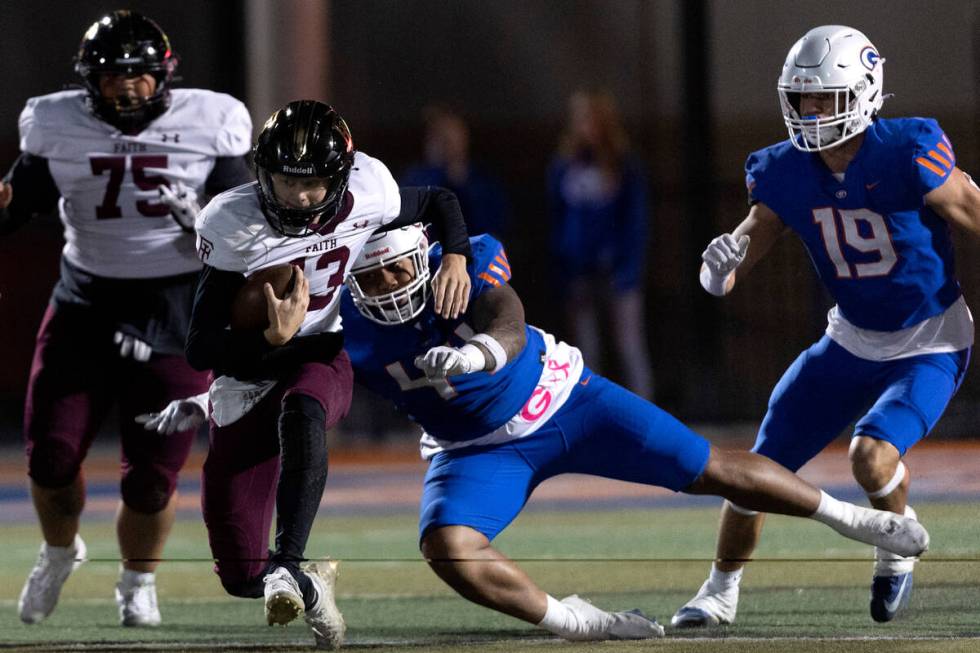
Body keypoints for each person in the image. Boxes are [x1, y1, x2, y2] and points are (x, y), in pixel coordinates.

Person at [146, 224, 930, 642]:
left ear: (423, 258)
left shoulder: (465, 264)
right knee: (446, 548)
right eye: (370, 275)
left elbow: (508, 314)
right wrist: (222, 397)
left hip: (567, 399)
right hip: (474, 451)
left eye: (396, 270)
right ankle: (573, 620)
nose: (384, 284)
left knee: (713, 468)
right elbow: (295, 376)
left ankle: (857, 520)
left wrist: (485, 349)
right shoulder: (344, 322)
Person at [672, 25, 979, 628]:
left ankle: (894, 552)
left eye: (824, 99)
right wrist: (715, 273)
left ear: (863, 93)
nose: (810, 113)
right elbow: (740, 258)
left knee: (870, 456)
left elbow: (972, 208)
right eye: (802, 99)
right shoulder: (784, 171)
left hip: (930, 339)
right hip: (849, 338)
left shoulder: (909, 149)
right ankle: (718, 591)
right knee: (759, 468)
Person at [184, 99, 472, 650]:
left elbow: (439, 198)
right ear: (261, 175)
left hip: (320, 351)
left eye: (314, 183)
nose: (299, 196)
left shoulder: (372, 189)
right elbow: (200, 350)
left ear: (341, 175)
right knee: (240, 575)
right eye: (285, 182)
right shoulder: (232, 222)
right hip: (247, 376)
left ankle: (287, 561)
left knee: (305, 408)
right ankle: (309, 584)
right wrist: (266, 339)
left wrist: (455, 254)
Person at [0, 10, 253, 627]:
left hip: (176, 312)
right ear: (89, 80)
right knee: (51, 457)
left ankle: (138, 581)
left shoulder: (211, 121)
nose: (127, 87)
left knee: (151, 481)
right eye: (112, 75)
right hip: (85, 303)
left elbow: (249, 231)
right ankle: (60, 551)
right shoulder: (54, 123)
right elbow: (15, 208)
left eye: (139, 75)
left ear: (163, 75)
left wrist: (203, 224)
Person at [547, 90, 653, 399]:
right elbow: (558, 219)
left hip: (618, 272)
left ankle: (647, 423)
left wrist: (628, 269)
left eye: (591, 118)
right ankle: (589, 421)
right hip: (579, 272)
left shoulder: (624, 165)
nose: (585, 125)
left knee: (629, 346)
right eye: (580, 118)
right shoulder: (564, 166)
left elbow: (636, 223)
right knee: (584, 351)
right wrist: (564, 268)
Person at [402, 105, 509, 239]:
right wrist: (437, 173)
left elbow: (494, 226)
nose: (446, 146)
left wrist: (460, 183)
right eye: (438, 137)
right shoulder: (415, 178)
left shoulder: (482, 179)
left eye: (451, 138)